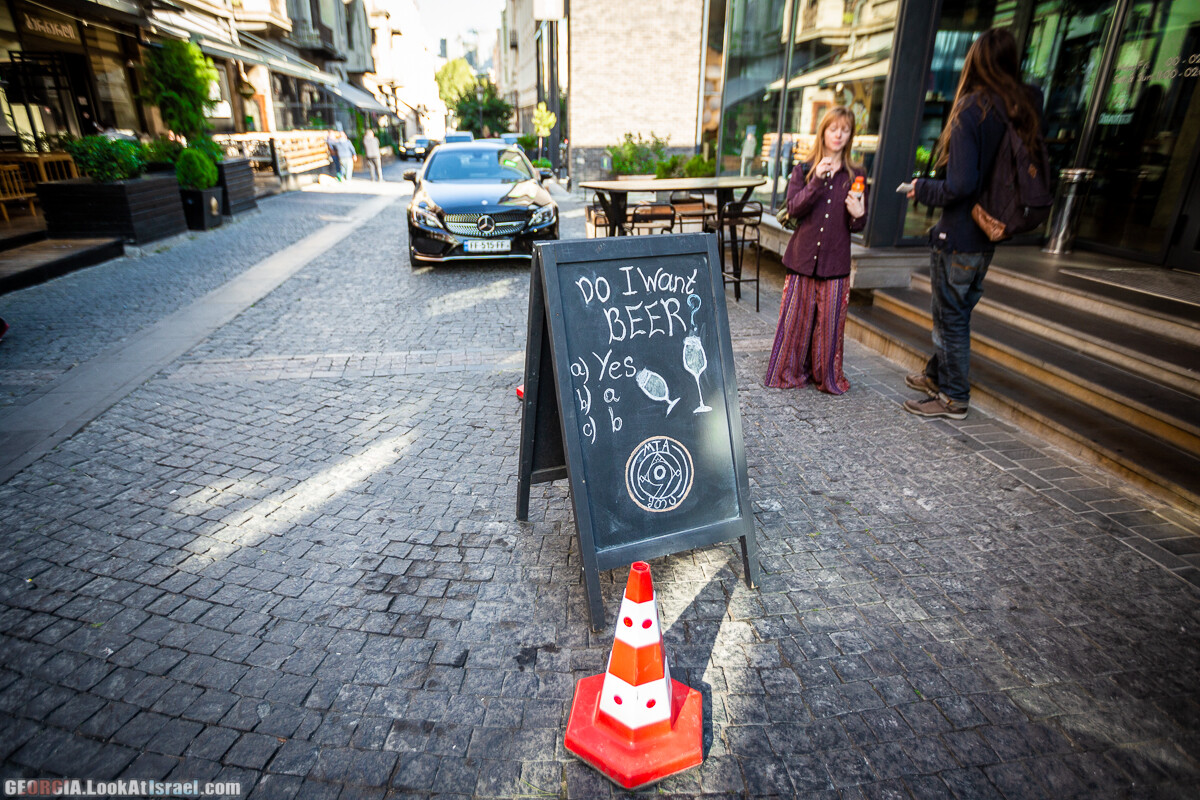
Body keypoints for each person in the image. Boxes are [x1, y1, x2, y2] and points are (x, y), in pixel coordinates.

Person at [903, 28, 1044, 420]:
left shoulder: (974, 108)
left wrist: (922, 188)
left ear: (976, 61)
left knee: (951, 317)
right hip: (988, 234)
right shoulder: (1020, 108)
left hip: (961, 233)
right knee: (958, 309)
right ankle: (936, 374)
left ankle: (952, 397)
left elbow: (961, 184)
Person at [763, 106, 867, 395]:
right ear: (823, 131)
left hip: (835, 262)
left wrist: (858, 213)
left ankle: (826, 377)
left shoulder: (855, 175)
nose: (838, 134)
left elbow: (858, 224)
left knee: (830, 326)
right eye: (833, 128)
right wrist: (817, 180)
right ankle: (789, 372)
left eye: (845, 130)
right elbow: (793, 209)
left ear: (850, 136)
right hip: (802, 258)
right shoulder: (805, 169)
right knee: (795, 321)